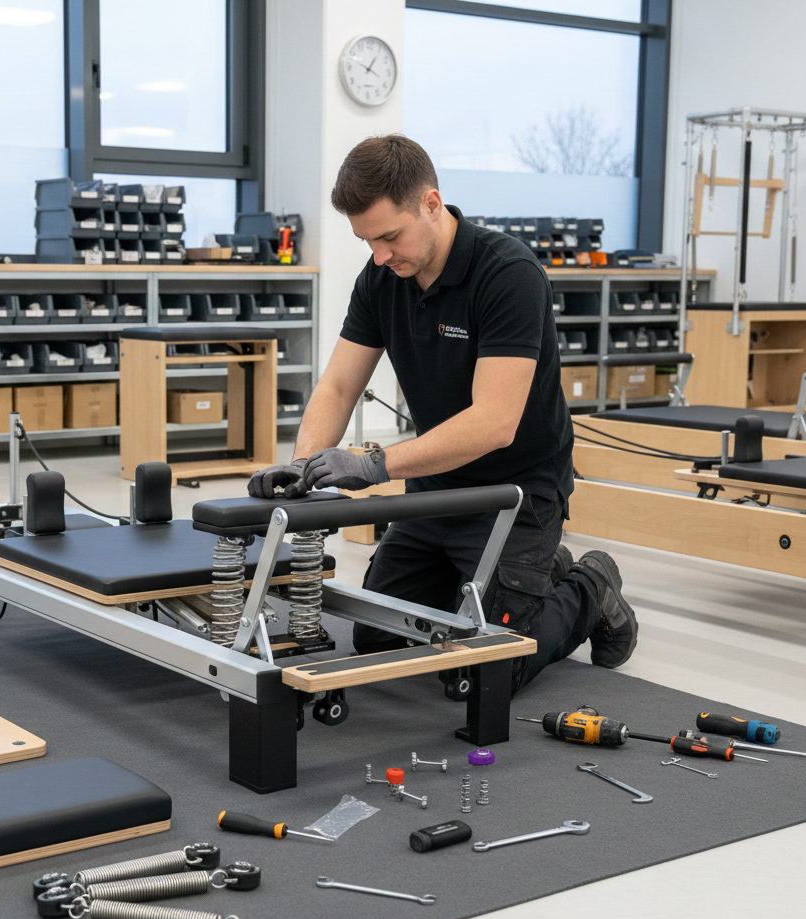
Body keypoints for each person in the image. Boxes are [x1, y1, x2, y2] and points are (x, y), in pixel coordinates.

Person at [248, 134, 637, 692]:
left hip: (516, 491)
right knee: (377, 637)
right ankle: (527, 578)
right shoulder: (383, 277)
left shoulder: (508, 274)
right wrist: (304, 465)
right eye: (367, 242)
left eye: (389, 237)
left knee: (483, 675)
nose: (380, 256)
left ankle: (589, 584)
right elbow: (337, 386)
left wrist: (375, 464)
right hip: (435, 486)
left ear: (431, 204)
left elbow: (493, 423)